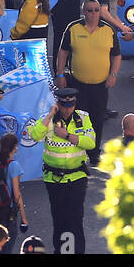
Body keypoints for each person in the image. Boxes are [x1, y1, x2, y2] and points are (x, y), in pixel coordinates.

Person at [26, 87, 95, 254]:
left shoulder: (83, 118)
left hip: (77, 177)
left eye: (71, 106)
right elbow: (35, 135)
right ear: (58, 104)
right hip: (54, 179)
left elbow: (91, 143)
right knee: (60, 220)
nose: (68, 110)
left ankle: (76, 252)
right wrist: (50, 114)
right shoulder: (48, 120)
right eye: (64, 106)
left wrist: (67, 136)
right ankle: (63, 251)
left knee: (75, 219)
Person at [54, 0, 121, 167]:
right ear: (84, 12)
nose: (93, 14)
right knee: (78, 120)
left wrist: (113, 74)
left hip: (100, 85)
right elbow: (63, 53)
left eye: (96, 10)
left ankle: (94, 153)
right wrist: (60, 74)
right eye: (89, 10)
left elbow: (116, 55)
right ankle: (78, 154)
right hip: (78, 84)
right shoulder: (73, 28)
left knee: (97, 119)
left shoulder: (108, 30)